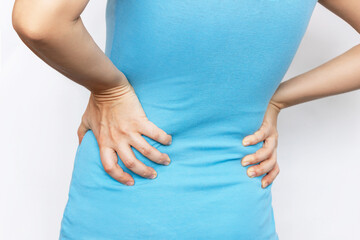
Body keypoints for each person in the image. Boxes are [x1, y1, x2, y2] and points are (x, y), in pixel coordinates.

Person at [11, 0, 360, 239]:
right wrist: (278, 99)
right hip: (238, 212)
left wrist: (110, 90)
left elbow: (38, 21)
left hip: (125, 190)